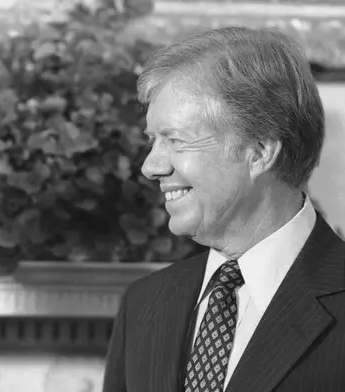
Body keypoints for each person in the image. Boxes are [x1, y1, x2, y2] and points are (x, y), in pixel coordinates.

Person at [102, 26, 345, 392]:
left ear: (260, 152)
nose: (150, 167)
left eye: (175, 140)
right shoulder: (144, 303)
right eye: (153, 141)